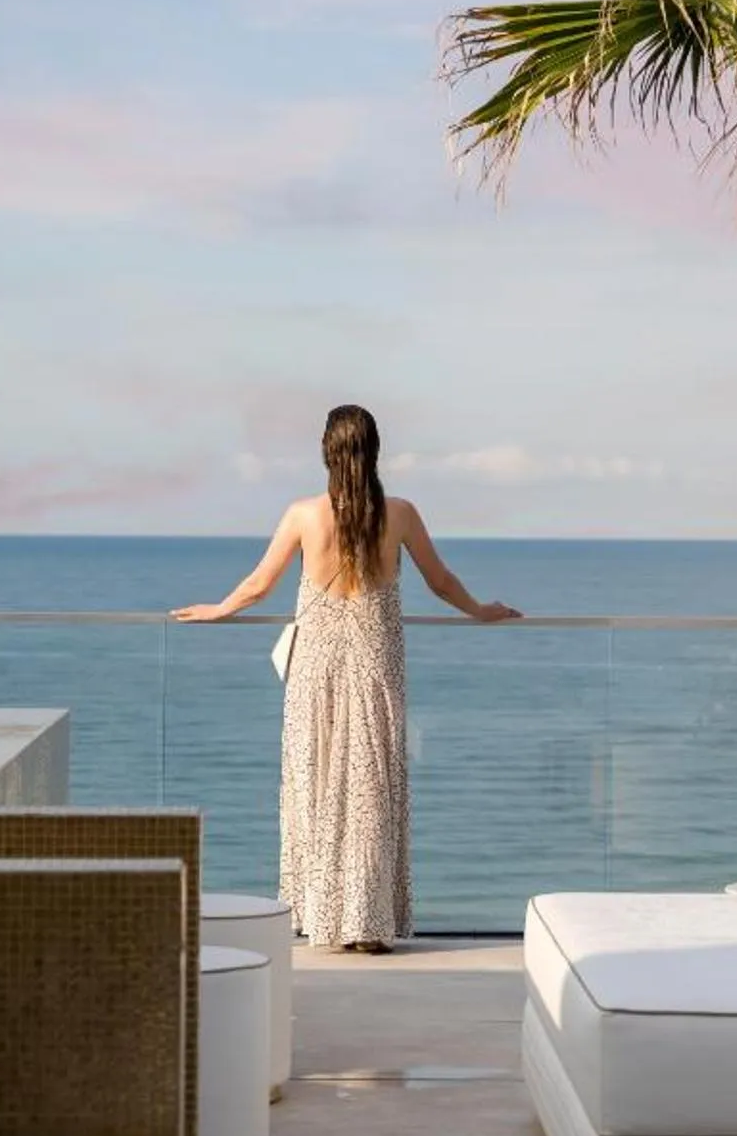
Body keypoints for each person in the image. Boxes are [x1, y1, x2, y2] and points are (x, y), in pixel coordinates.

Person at [172, 405, 519, 953]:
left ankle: (326, 918)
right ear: (375, 450)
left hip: (317, 666)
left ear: (327, 452)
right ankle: (369, 922)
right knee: (370, 787)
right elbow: (441, 581)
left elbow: (260, 585)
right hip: (375, 658)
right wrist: (481, 611)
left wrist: (217, 610)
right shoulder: (400, 513)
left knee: (318, 783)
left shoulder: (304, 514)